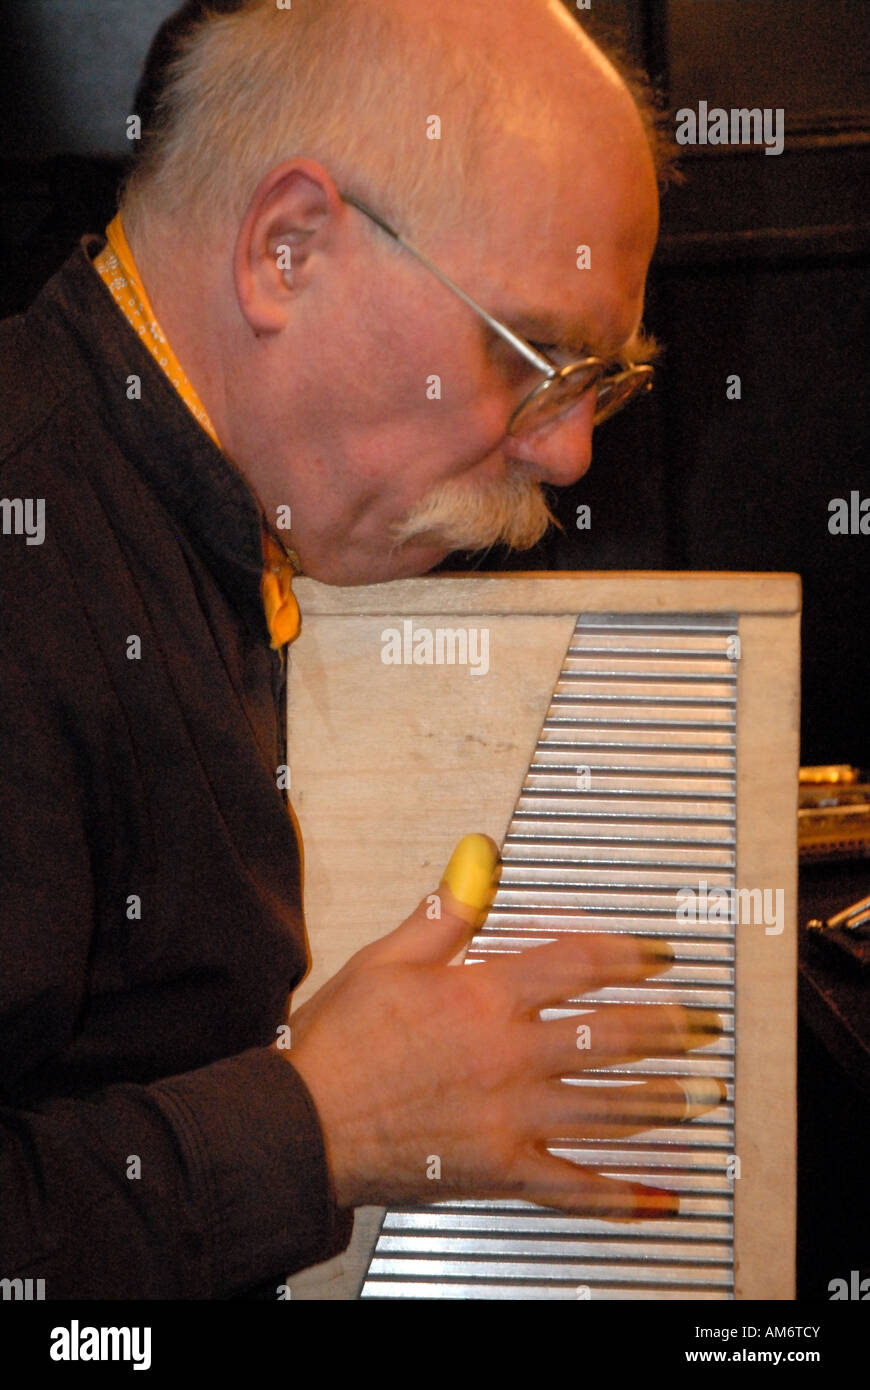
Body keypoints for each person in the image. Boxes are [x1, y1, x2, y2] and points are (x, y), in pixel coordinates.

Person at [0, 0, 723, 1300]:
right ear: (287, 250)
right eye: (533, 355)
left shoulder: (190, 506)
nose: (569, 450)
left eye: (603, 378)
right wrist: (321, 1121)